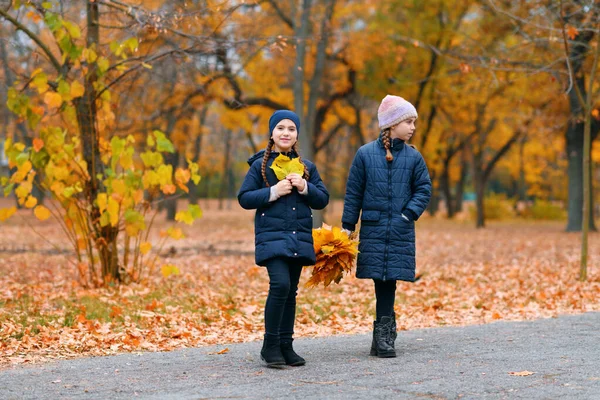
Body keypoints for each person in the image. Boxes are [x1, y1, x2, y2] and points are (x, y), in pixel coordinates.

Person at [341, 95, 431, 358]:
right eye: (408, 121)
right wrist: (348, 225)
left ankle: (383, 335)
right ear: (392, 124)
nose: (413, 127)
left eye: (414, 121)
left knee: (389, 279)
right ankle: (384, 333)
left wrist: (408, 215)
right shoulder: (365, 155)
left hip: (400, 229)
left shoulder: (414, 158)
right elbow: (353, 192)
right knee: (380, 279)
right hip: (374, 227)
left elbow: (424, 189)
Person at [238, 110, 329, 367]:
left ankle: (286, 345)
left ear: (297, 134)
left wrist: (305, 187)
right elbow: (244, 198)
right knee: (280, 286)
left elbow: (323, 198)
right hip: (272, 237)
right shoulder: (260, 166)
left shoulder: (307, 168)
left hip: (298, 237)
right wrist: (273, 191)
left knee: (291, 293)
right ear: (272, 133)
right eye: (280, 128)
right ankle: (270, 345)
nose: (285, 132)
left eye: (291, 128)